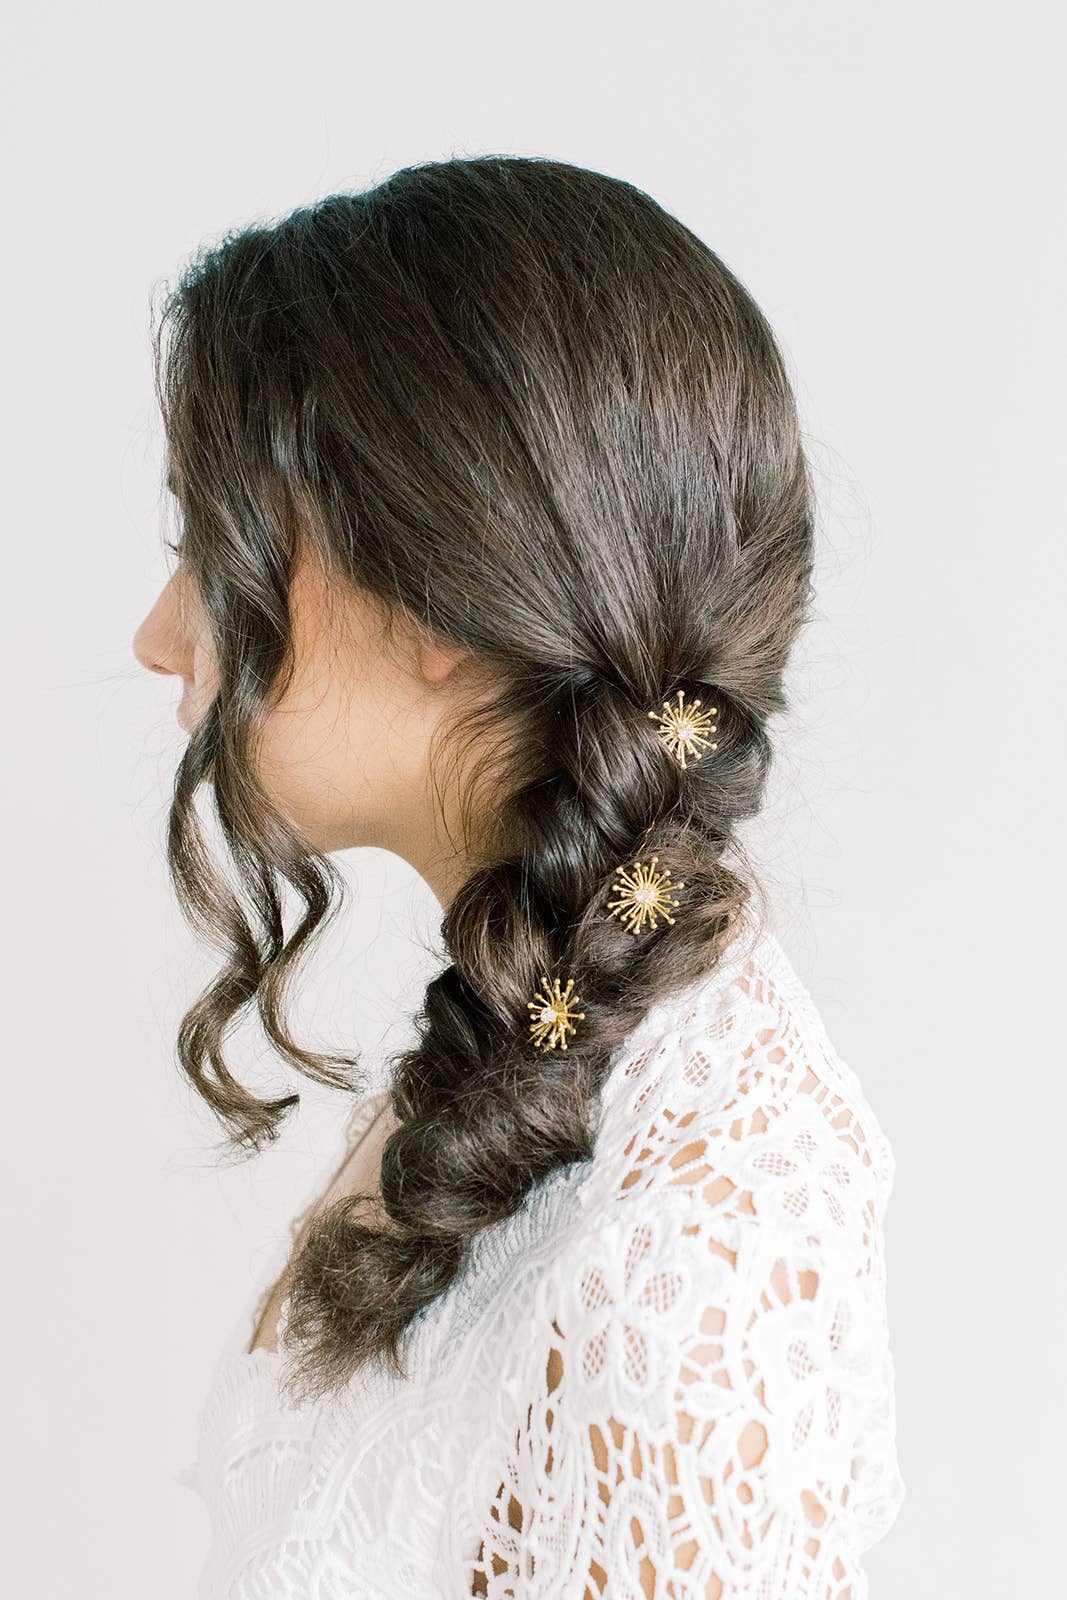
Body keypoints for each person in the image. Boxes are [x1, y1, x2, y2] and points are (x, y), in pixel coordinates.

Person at [132, 154, 905, 1598]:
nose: (162, 634)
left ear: (440, 587)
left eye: (216, 546)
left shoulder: (685, 1261)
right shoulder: (534, 1021)